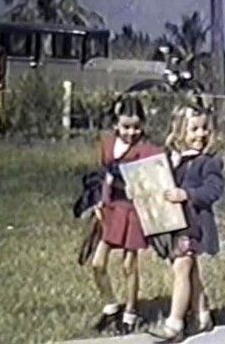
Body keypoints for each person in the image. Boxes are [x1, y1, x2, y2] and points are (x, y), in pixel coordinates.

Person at [148, 102, 224, 342]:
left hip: (193, 225)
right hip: (175, 224)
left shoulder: (208, 162)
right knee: (189, 271)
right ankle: (202, 314)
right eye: (194, 129)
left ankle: (175, 324)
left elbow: (214, 190)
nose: (200, 135)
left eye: (204, 129)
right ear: (180, 131)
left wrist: (188, 194)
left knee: (182, 267)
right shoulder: (173, 159)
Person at [91, 95, 161, 335]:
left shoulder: (147, 150)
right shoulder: (108, 145)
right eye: (126, 127)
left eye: (136, 127)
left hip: (132, 211)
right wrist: (100, 201)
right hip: (111, 209)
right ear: (116, 125)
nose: (131, 132)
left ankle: (130, 312)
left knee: (129, 264)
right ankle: (111, 306)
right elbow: (105, 175)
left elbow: (157, 178)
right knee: (97, 263)